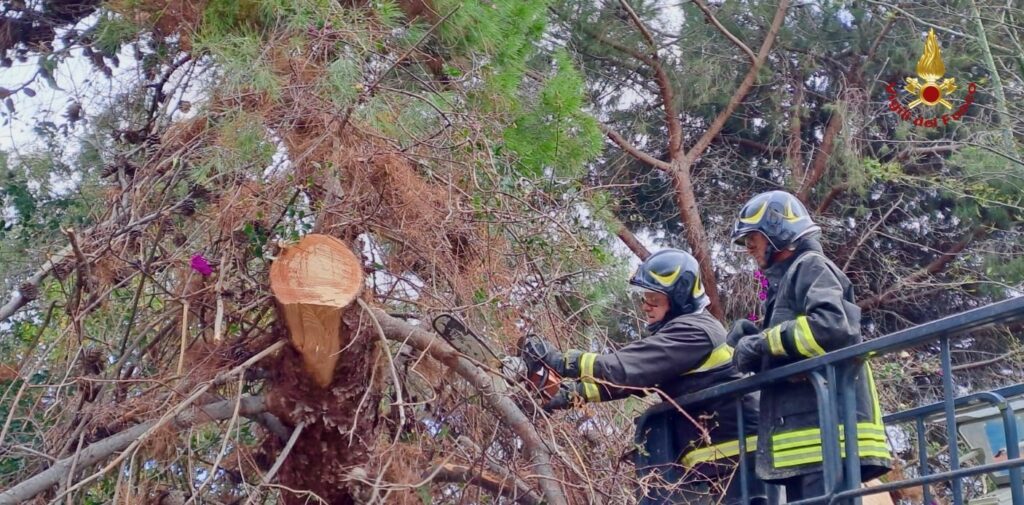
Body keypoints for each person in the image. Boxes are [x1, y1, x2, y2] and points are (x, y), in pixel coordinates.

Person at [525, 249, 766, 505]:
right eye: (645, 298)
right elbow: (630, 383)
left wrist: (560, 361)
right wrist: (569, 395)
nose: (645, 306)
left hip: (739, 453)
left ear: (678, 299)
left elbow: (624, 368)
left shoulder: (695, 331)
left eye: (653, 299)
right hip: (724, 456)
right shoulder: (686, 331)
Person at [727, 190, 892, 500]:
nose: (748, 246)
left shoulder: (811, 266)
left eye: (753, 237)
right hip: (807, 440)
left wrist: (762, 343)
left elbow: (831, 327)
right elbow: (794, 341)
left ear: (778, 232)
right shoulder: (789, 278)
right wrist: (753, 337)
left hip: (830, 434)